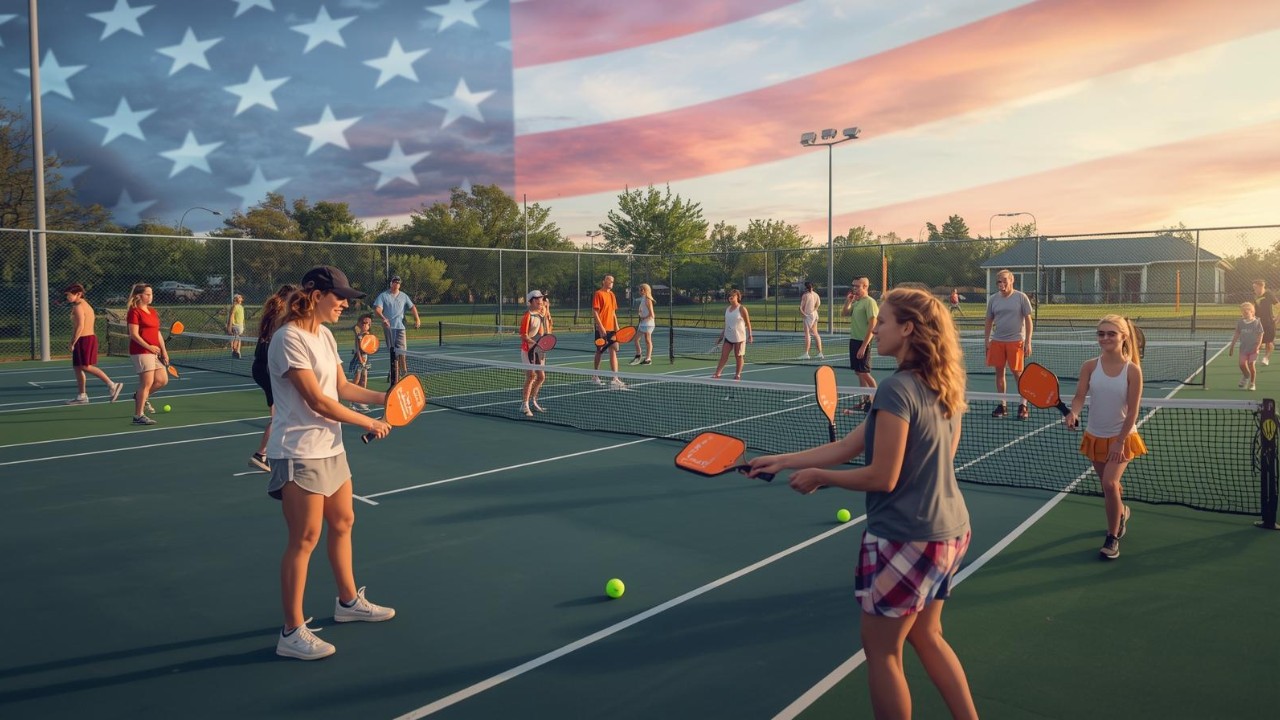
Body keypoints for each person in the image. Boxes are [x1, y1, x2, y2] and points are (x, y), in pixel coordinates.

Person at [745, 287, 976, 720]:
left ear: (908, 329)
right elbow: (854, 445)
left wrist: (819, 478)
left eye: (883, 322)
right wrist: (783, 460)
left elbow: (882, 477)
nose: (876, 329)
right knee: (928, 635)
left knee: (883, 653)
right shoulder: (945, 385)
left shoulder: (895, 389)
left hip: (906, 538)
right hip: (951, 531)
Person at [268, 266, 394, 661]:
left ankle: (347, 602)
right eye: (338, 296)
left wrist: (384, 399)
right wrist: (370, 422)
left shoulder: (322, 335)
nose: (344, 303)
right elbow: (318, 402)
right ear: (314, 293)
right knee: (304, 539)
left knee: (343, 522)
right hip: (298, 451)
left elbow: (340, 388)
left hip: (331, 448)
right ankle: (292, 630)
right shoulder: (288, 338)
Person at [1064, 315, 1146, 560]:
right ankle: (1121, 512)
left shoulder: (1133, 371)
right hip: (1095, 435)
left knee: (1109, 484)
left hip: (1122, 436)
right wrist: (1074, 413)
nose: (1105, 338)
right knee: (1110, 487)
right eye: (1101, 333)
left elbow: (1133, 411)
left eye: (1111, 333)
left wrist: (1120, 441)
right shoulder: (1090, 366)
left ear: (1124, 337)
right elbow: (1079, 396)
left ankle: (1112, 537)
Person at [249, 285, 296, 472]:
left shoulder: (272, 313)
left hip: (260, 367)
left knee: (279, 412)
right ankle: (261, 453)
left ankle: (274, 451)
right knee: (280, 415)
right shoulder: (281, 317)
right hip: (268, 368)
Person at [63, 283, 124, 405]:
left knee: (85, 366)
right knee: (77, 367)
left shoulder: (79, 307)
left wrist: (73, 341)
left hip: (84, 339)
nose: (67, 298)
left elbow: (80, 326)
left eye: (69, 295)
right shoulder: (85, 305)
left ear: (78, 294)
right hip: (86, 338)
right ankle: (82, 396)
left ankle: (112, 384)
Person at [984, 269, 1033, 420]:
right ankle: (1002, 405)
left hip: (1016, 341)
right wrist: (987, 340)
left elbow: (1028, 320)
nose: (1002, 284)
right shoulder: (993, 299)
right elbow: (989, 321)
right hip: (998, 341)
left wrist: (1028, 341)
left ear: (1012, 281)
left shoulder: (1021, 297)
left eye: (1005, 280)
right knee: (999, 373)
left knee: (1018, 374)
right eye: (999, 281)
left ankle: (1023, 405)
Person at [126, 282, 169, 425]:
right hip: (141, 351)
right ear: (139, 296)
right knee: (147, 383)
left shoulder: (153, 311)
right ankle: (138, 416)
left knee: (162, 380)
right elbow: (134, 335)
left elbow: (157, 333)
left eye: (151, 294)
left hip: (154, 352)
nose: (151, 297)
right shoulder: (134, 312)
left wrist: (164, 351)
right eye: (147, 294)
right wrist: (150, 347)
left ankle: (139, 397)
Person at [373, 275, 420, 382]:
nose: (396, 284)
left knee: (403, 352)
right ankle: (394, 372)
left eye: (398, 283)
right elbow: (378, 309)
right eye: (394, 282)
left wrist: (417, 319)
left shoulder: (404, 296)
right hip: (389, 328)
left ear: (400, 284)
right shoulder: (383, 296)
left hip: (400, 328)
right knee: (393, 352)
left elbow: (412, 307)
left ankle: (404, 373)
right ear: (391, 283)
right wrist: (384, 318)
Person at [841, 277, 878, 412]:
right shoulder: (857, 302)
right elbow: (844, 313)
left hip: (863, 342)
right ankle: (864, 402)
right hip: (854, 341)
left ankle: (877, 402)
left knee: (865, 373)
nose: (854, 289)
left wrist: (864, 346)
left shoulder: (870, 302)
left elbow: (873, 325)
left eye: (857, 286)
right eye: (854, 286)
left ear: (865, 287)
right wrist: (848, 301)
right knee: (859, 372)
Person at [591, 274, 626, 389]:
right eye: (609, 280)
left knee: (614, 349)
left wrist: (617, 328)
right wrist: (601, 327)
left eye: (612, 281)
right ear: (603, 281)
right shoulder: (598, 294)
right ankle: (595, 376)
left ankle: (615, 378)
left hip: (612, 329)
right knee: (600, 351)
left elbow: (613, 313)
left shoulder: (612, 295)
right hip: (601, 328)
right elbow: (595, 312)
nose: (611, 282)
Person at [711, 289, 753, 381]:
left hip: (739, 338)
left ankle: (737, 374)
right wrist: (720, 337)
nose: (730, 297)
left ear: (737, 297)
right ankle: (717, 373)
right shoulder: (727, 309)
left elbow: (748, 323)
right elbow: (726, 325)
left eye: (732, 296)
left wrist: (750, 335)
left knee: (738, 356)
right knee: (724, 355)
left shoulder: (742, 309)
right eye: (729, 296)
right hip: (728, 337)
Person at [520, 290, 549, 416]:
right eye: (537, 299)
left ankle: (533, 400)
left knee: (541, 377)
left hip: (539, 351)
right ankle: (525, 405)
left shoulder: (542, 315)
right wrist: (534, 343)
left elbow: (545, 333)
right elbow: (523, 335)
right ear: (531, 301)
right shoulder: (528, 316)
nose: (540, 301)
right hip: (528, 350)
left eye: (541, 298)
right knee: (531, 376)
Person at [1228, 301, 1263, 391]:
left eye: (1246, 312)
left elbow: (1260, 334)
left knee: (1251, 364)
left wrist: (1258, 345)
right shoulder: (1240, 322)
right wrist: (1232, 346)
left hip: (1254, 348)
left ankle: (1252, 383)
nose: (1244, 314)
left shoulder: (1257, 322)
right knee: (1242, 364)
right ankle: (1246, 376)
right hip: (1243, 348)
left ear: (1252, 312)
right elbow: (1237, 333)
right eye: (1243, 312)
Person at [348, 314, 374, 411]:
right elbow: (358, 349)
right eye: (363, 323)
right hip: (359, 359)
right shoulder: (358, 336)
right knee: (356, 380)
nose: (365, 325)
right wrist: (360, 359)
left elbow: (371, 348)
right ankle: (351, 401)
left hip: (366, 359)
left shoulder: (369, 336)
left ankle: (361, 401)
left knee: (364, 380)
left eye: (367, 324)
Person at [1252, 280, 1277, 366]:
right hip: (1258, 323)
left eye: (1255, 287)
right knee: (1257, 342)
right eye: (1253, 288)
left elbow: (1278, 305)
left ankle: (1266, 358)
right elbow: (1254, 309)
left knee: (1269, 342)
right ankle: (1254, 358)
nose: (1254, 289)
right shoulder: (1255, 296)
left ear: (1261, 287)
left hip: (1269, 323)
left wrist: (1277, 319)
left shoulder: (1269, 294)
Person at [630, 283, 656, 365]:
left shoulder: (648, 299)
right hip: (643, 323)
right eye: (640, 290)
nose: (640, 291)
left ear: (646, 290)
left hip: (648, 323)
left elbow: (652, 314)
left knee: (648, 340)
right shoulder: (643, 298)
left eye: (642, 289)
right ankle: (638, 355)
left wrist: (644, 318)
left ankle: (648, 359)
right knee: (636, 339)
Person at [799, 281, 824, 360]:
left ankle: (806, 353)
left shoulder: (805, 295)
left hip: (808, 315)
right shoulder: (816, 295)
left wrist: (804, 314)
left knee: (807, 334)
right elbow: (818, 304)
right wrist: (814, 310)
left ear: (806, 287)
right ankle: (820, 353)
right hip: (815, 315)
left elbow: (801, 307)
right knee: (815, 333)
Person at [227, 294, 246, 359]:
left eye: (241, 297)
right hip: (235, 325)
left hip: (240, 326)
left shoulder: (241, 307)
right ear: (236, 299)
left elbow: (242, 317)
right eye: (239, 297)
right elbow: (231, 316)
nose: (241, 297)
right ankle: (235, 350)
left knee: (238, 338)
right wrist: (229, 326)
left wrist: (243, 324)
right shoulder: (234, 306)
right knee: (237, 338)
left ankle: (238, 351)